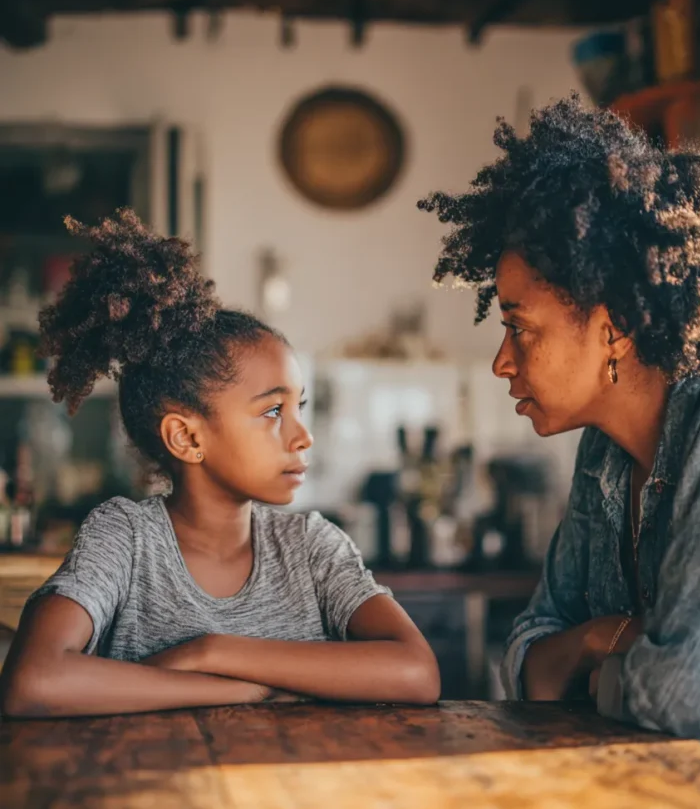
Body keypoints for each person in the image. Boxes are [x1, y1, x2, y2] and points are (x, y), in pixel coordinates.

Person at [420, 95, 700, 765]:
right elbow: (528, 655)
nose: (500, 361)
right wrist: (602, 639)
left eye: (518, 328)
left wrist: (590, 669)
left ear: (612, 329)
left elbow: (691, 704)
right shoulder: (604, 451)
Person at [0, 210, 440, 718]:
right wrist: (242, 690)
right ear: (186, 437)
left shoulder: (312, 547)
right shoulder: (125, 538)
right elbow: (32, 681)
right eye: (273, 411)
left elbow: (417, 672)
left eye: (300, 406)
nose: (302, 435)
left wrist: (213, 651)